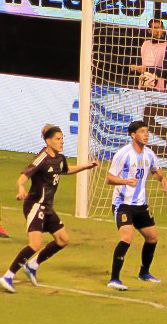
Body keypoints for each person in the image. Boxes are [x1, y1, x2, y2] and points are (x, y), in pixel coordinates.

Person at [1, 126, 97, 294]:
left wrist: (86, 166)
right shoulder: (42, 158)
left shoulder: (59, 158)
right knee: (35, 244)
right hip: (35, 205)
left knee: (63, 239)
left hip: (48, 207)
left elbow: (66, 169)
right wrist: (21, 188)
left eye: (62, 138)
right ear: (48, 141)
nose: (62, 142)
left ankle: (32, 265)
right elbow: (23, 176)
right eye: (58, 139)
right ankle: (8, 276)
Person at [105, 121, 167, 291]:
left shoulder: (149, 154)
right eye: (142, 132)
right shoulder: (123, 154)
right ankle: (114, 279)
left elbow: (156, 171)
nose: (146, 135)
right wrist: (125, 181)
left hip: (141, 204)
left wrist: (162, 179)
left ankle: (144, 273)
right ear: (133, 135)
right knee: (127, 237)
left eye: (147, 132)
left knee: (152, 237)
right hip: (123, 204)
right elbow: (109, 179)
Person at [129, 19, 167, 93]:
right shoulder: (144, 44)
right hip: (143, 86)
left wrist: (147, 69)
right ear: (149, 30)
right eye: (155, 28)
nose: (157, 31)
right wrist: (135, 68)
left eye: (159, 28)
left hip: (160, 89)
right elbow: (139, 65)